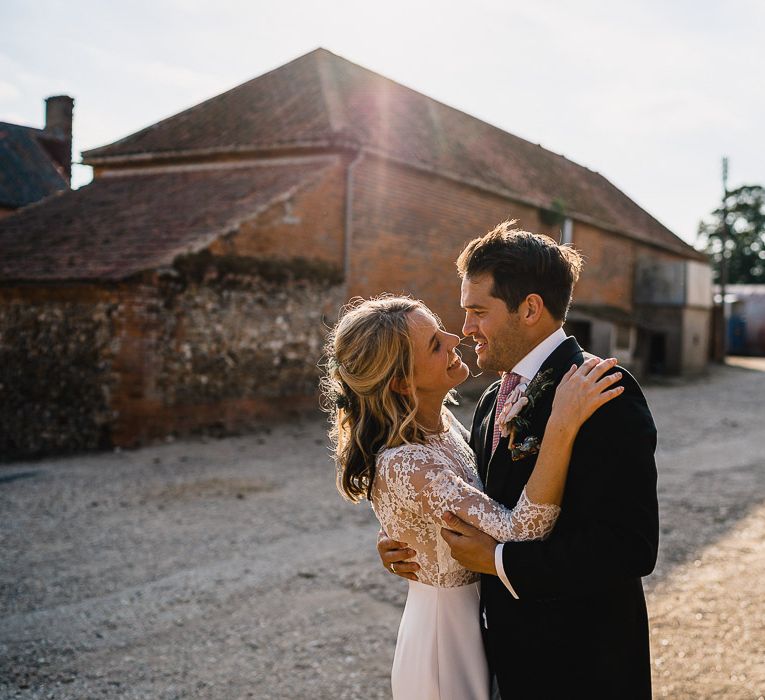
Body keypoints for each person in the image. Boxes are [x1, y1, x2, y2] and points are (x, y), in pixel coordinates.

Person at [379, 222, 660, 699]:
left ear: (530, 308)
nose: (465, 330)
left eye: (477, 311)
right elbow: (471, 498)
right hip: (504, 659)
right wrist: (413, 540)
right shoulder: (492, 399)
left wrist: (499, 560)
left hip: (581, 667)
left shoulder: (602, 392)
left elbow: (629, 547)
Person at [322, 294, 624, 699]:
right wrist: (561, 426)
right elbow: (519, 529)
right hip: (444, 643)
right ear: (400, 381)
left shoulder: (445, 426)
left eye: (441, 328)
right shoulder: (404, 462)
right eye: (434, 344)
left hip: (482, 624)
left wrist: (408, 533)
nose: (454, 338)